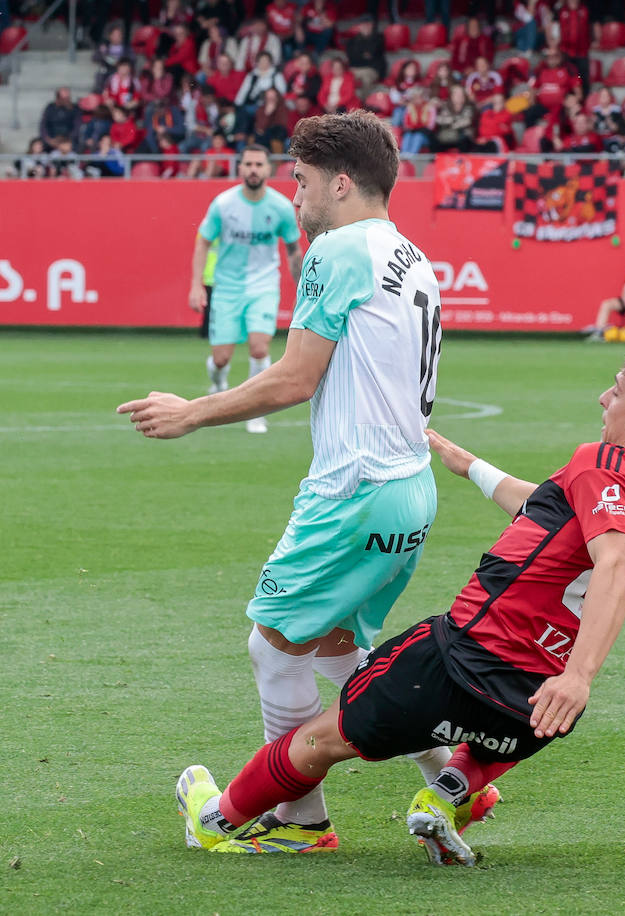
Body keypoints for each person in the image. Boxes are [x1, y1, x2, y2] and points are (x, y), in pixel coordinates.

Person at [173, 349, 625, 865]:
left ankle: (220, 821)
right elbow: (550, 513)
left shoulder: (602, 460)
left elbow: (612, 564)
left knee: (319, 740)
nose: (603, 399)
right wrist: (471, 466)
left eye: (616, 392)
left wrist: (581, 676)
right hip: (534, 702)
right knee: (492, 734)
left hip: (460, 658)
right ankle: (452, 792)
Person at [119, 111, 453, 853]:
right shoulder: (410, 253)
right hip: (409, 490)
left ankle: (301, 821)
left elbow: (297, 377)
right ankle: (459, 777)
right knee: (338, 650)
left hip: (354, 491)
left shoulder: (337, 251)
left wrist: (193, 412)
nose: (293, 198)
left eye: (300, 183)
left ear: (339, 184)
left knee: (272, 648)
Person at [183, 145, 301, 430]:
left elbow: (294, 249)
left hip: (263, 286)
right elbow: (203, 242)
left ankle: (255, 411)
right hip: (226, 288)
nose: (253, 169)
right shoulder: (223, 205)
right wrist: (196, 285)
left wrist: (303, 288)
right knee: (221, 358)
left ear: (268, 169)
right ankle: (219, 381)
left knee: (260, 348)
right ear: (240, 168)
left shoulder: (282, 207)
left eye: (258, 164)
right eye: (248, 164)